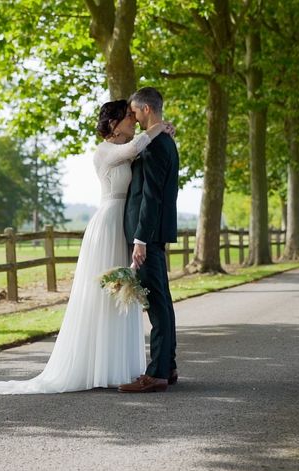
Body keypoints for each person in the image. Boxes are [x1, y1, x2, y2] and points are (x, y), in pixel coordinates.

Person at [0, 99, 173, 394]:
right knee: (102, 296)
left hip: (123, 228)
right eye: (128, 116)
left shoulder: (129, 152)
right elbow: (134, 147)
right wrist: (158, 128)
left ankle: (115, 366)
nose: (133, 120)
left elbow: (141, 159)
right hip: (107, 225)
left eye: (134, 115)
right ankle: (93, 366)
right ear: (113, 124)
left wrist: (161, 133)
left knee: (123, 295)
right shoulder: (106, 151)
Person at [118, 87, 179, 393]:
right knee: (163, 302)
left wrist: (140, 238)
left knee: (156, 304)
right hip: (155, 234)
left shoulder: (156, 147)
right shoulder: (164, 141)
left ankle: (156, 373)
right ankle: (167, 366)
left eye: (135, 111)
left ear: (145, 110)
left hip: (148, 235)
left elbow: (151, 197)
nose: (134, 116)